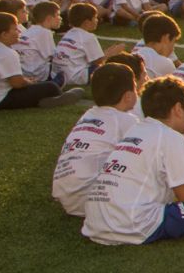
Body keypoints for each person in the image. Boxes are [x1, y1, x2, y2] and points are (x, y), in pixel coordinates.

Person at [82, 76, 184, 244]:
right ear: (178, 109)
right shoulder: (171, 137)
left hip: (96, 222)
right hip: (131, 224)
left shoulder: (136, 129)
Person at [52, 63, 140, 216]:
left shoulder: (88, 115)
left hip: (68, 199)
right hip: (96, 200)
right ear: (128, 96)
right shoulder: (126, 120)